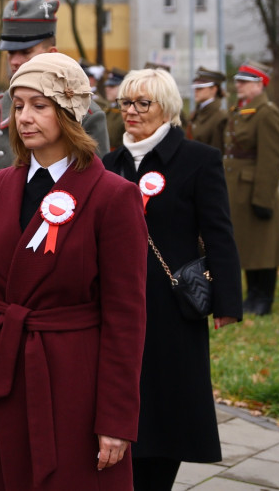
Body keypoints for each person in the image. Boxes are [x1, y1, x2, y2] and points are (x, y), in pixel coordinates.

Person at [0, 52, 147, 490]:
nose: (24, 117)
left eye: (39, 105)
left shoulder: (114, 196)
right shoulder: (2, 184)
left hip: (72, 380)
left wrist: (116, 417)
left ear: (69, 111)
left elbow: (126, 317)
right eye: (18, 105)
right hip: (2, 373)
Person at [103, 67, 244, 490]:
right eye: (125, 102)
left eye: (142, 103)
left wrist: (227, 302)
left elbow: (219, 233)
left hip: (172, 308)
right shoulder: (109, 164)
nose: (131, 111)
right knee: (123, 399)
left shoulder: (199, 160)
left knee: (167, 409)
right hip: (116, 306)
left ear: (166, 108)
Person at [0, 0, 109, 241]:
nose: (15, 60)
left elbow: (101, 187)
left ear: (52, 54)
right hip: (3, 246)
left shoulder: (86, 114)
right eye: (10, 53)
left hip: (66, 244)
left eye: (25, 51)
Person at [223, 61, 279, 316]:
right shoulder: (241, 110)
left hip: (257, 189)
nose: (237, 85)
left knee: (264, 247)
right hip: (239, 189)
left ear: (258, 84)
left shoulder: (266, 112)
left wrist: (263, 197)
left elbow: (272, 158)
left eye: (243, 82)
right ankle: (252, 294)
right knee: (248, 245)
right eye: (237, 81)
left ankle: (264, 297)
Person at [188, 66, 228, 154]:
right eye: (195, 88)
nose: (196, 91)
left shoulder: (220, 117)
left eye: (200, 88)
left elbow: (218, 151)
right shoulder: (196, 113)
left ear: (213, 89)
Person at [104, 68, 127, 151]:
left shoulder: (125, 112)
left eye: (112, 86)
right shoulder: (109, 109)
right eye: (107, 86)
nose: (107, 89)